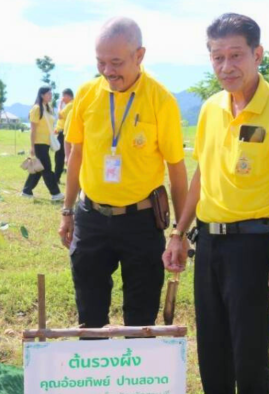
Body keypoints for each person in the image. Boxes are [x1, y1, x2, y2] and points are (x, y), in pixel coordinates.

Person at [163, 14, 269, 394]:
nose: (226, 66)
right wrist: (178, 232)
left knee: (249, 356)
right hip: (207, 245)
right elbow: (201, 174)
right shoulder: (211, 108)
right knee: (211, 352)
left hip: (251, 245)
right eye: (217, 57)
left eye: (236, 55)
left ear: (257, 54)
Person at [58, 17, 188, 332]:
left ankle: (138, 380)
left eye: (116, 62)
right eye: (101, 62)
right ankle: (93, 377)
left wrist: (180, 233)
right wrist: (67, 210)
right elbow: (75, 156)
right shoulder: (87, 94)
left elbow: (176, 169)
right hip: (91, 218)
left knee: (141, 321)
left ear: (139, 55)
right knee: (89, 317)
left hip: (141, 223)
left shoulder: (161, 99)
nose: (108, 70)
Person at [21, 86, 64, 201]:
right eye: (48, 94)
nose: (50, 96)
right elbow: (33, 129)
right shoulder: (36, 109)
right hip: (39, 143)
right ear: (41, 95)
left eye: (51, 94)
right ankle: (56, 193)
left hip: (46, 143)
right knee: (47, 169)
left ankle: (26, 190)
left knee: (40, 168)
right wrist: (32, 146)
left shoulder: (48, 107)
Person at [54, 88, 74, 184]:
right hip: (62, 131)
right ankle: (57, 176)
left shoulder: (70, 105)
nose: (62, 99)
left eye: (63, 96)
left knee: (60, 156)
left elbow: (60, 115)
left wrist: (59, 105)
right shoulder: (71, 105)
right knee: (61, 155)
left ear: (67, 95)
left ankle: (56, 177)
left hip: (64, 133)